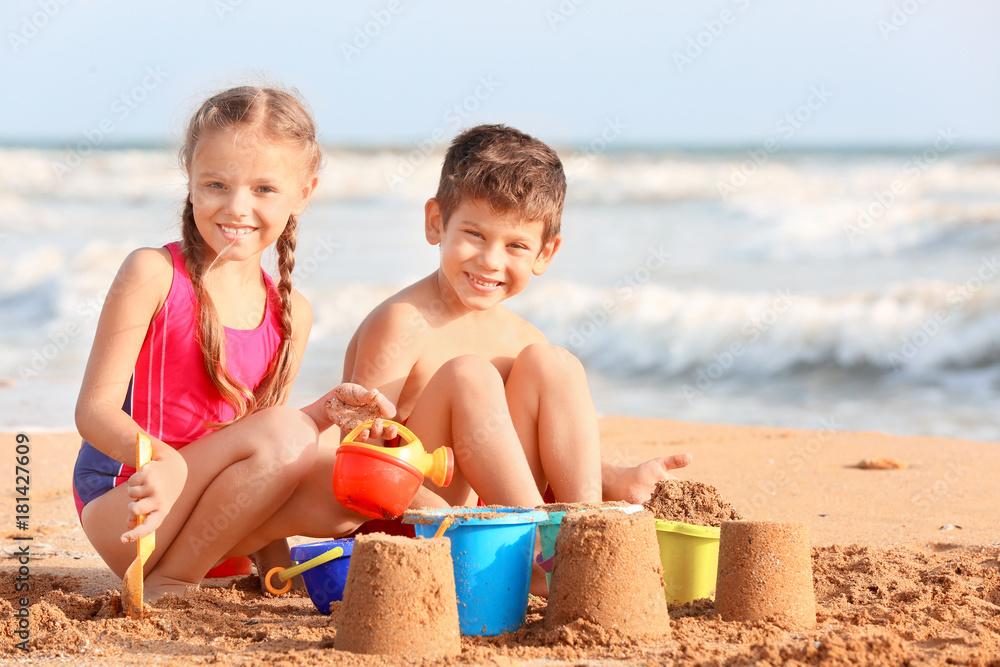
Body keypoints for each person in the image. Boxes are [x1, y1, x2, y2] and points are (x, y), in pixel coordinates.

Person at [73, 86, 399, 602]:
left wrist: (320, 416)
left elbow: (261, 444)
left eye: (265, 189)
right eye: (217, 184)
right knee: (288, 433)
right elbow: (93, 411)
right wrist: (163, 460)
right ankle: (170, 581)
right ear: (191, 180)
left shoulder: (293, 313)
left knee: (356, 475)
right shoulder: (153, 273)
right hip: (132, 507)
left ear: (304, 192)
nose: (237, 207)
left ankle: (212, 561)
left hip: (215, 528)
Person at [342, 124, 692, 517]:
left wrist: (614, 477)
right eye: (474, 234)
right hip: (419, 521)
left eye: (515, 246)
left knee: (553, 363)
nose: (491, 260)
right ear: (436, 222)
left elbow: (520, 448)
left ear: (545, 253)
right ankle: (537, 538)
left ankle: (584, 531)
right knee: (468, 376)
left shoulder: (523, 338)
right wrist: (462, 522)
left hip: (501, 517)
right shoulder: (402, 323)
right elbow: (361, 453)